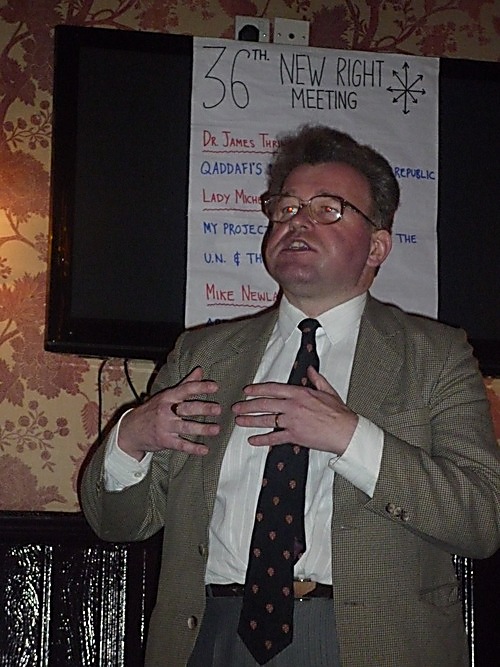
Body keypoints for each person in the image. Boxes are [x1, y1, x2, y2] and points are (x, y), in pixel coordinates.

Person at [80, 124, 500, 667]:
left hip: (372, 643)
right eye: (286, 208)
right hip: (211, 637)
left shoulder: (435, 356)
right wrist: (131, 438)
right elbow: (119, 524)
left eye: (328, 209)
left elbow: (482, 519)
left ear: (377, 246)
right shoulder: (203, 354)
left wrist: (351, 438)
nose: (298, 221)